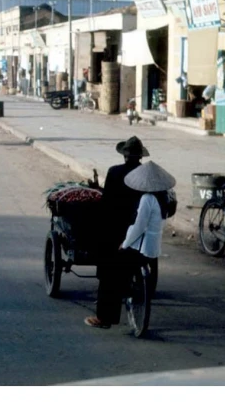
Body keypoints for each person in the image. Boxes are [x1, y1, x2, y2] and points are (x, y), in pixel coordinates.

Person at [84, 160, 175, 329]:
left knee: (109, 273)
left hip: (139, 248)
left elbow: (138, 227)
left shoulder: (147, 199)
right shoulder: (162, 198)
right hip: (152, 249)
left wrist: (124, 244)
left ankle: (104, 318)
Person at [84, 136, 150, 329]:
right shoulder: (147, 174)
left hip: (116, 229)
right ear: (140, 156)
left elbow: (107, 202)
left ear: (124, 156)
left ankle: (104, 318)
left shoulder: (115, 171)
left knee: (108, 274)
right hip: (140, 228)